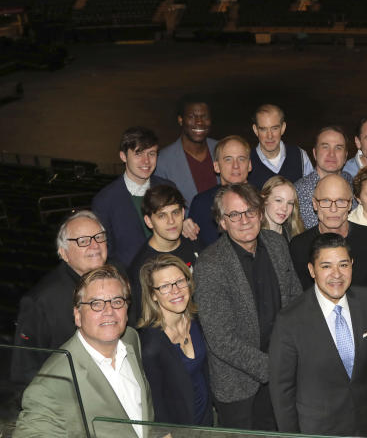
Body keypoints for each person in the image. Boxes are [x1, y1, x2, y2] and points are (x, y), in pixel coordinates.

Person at [193, 183, 302, 430]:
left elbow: (295, 299)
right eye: (234, 214)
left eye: (250, 211)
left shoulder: (277, 244)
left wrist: (294, 354)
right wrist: (274, 366)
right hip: (238, 384)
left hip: (283, 374)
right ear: (222, 222)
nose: (244, 220)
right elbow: (221, 339)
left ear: (260, 213)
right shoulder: (210, 265)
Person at [269, 233, 367, 437]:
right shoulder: (290, 320)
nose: (336, 274)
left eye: (343, 265)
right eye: (326, 266)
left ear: (352, 265)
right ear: (312, 270)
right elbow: (282, 390)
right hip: (318, 428)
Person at [13, 265, 153, 438]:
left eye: (117, 301)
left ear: (126, 310)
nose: (109, 311)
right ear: (77, 315)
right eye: (96, 304)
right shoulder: (53, 382)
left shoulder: (130, 339)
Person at [12, 210, 109, 384]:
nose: (95, 246)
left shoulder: (118, 278)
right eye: (83, 241)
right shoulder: (41, 301)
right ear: (63, 253)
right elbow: (25, 369)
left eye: (99, 237)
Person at [290, 174, 367, 316]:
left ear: (350, 204)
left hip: (366, 327)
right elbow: (298, 298)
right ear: (314, 204)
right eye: (326, 201)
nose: (333, 209)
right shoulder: (299, 246)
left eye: (340, 201)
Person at [137, 255, 213, 426]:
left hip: (207, 420)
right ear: (153, 295)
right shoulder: (151, 346)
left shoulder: (196, 321)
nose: (175, 290)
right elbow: (155, 403)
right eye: (164, 286)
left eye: (180, 281)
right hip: (180, 428)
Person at [92, 127, 178, 267]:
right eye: (138, 154)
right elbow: (107, 253)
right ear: (123, 156)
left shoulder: (169, 188)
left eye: (151, 154)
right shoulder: (104, 201)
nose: (146, 161)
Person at [127, 185, 199, 319]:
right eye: (162, 215)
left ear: (183, 213)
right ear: (149, 221)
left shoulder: (195, 244)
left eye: (175, 213)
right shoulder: (142, 267)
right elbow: (145, 319)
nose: (171, 221)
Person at [187, 135, 253, 248]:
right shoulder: (201, 203)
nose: (235, 166)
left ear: (250, 165)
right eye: (228, 159)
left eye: (241, 159)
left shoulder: (263, 199)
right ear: (216, 166)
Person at [156, 97, 218, 206]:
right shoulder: (163, 161)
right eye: (192, 116)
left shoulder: (223, 149)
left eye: (205, 117)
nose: (199, 122)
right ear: (181, 120)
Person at [294, 125, 354, 228]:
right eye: (325, 147)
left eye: (338, 148)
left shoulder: (350, 181)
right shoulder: (298, 191)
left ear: (345, 156)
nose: (332, 154)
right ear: (315, 153)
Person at [248, 104, 313, 188]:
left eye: (275, 128)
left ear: (283, 128)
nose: (269, 136)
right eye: (263, 129)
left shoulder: (299, 156)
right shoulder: (246, 161)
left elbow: (312, 193)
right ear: (255, 130)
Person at [260, 175, 305, 241]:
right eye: (278, 200)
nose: (284, 208)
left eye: (290, 203)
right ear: (265, 200)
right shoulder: (253, 236)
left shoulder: (296, 233)